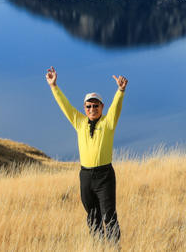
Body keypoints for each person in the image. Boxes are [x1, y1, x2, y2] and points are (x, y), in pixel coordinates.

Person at [46, 66, 127, 243]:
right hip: (86, 177)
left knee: (109, 217)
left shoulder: (108, 123)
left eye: (95, 105)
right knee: (92, 217)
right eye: (89, 106)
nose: (92, 109)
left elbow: (116, 108)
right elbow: (65, 106)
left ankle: (114, 248)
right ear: (84, 108)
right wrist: (54, 86)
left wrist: (120, 91)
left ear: (101, 107)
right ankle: (98, 246)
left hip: (105, 176)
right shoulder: (80, 123)